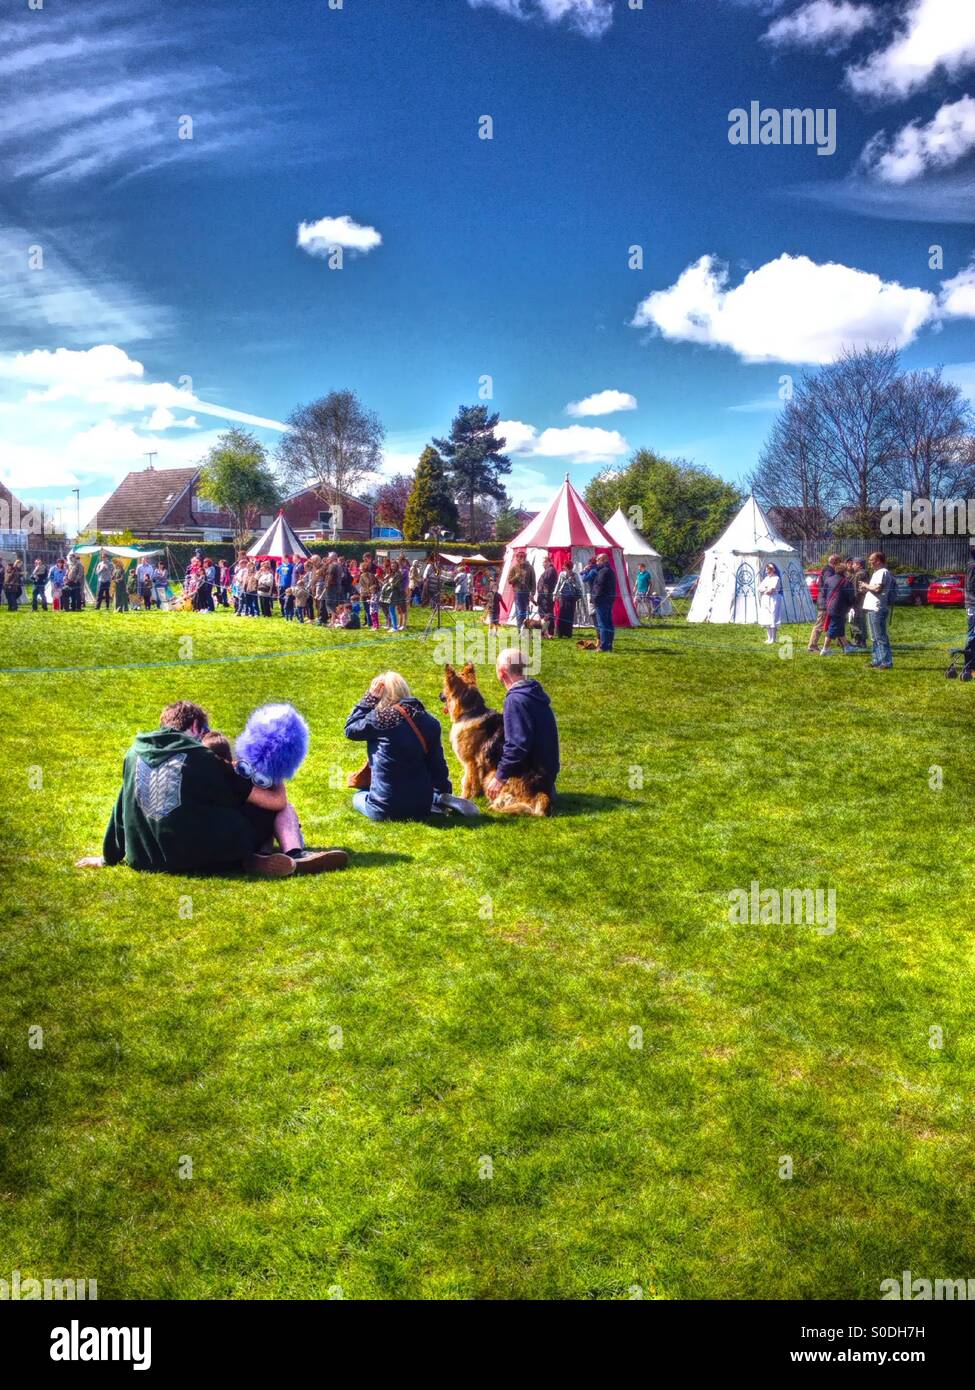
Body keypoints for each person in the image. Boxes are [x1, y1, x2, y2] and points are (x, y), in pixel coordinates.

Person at [94, 701, 347, 876]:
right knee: (279, 808)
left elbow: (121, 808)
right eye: (204, 731)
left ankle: (260, 855)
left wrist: (108, 857)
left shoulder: (134, 753)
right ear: (194, 726)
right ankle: (292, 853)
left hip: (147, 859)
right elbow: (272, 802)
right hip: (197, 857)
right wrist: (276, 775)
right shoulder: (202, 758)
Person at [345, 672, 477, 820]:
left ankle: (434, 798)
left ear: (382, 695)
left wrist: (369, 699)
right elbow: (437, 765)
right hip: (422, 807)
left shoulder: (380, 718)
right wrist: (443, 791)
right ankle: (438, 798)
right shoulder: (429, 721)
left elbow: (350, 729)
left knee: (358, 796)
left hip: (385, 807)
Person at [485, 648, 560, 807]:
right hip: (546, 779)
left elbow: (517, 745)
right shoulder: (534, 693)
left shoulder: (516, 700)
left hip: (531, 782)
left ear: (502, 671)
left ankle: (520, 799)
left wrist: (499, 778)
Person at [862, 550, 895, 669]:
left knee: (880, 637)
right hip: (871, 608)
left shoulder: (883, 572)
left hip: (877, 608)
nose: (869, 562)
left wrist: (866, 585)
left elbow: (877, 589)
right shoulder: (877, 572)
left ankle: (886, 662)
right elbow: (873, 589)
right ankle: (877, 660)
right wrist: (866, 588)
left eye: (871, 560)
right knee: (874, 637)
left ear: (878, 561)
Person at [581, 552, 617, 652]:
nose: (597, 562)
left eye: (598, 560)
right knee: (608, 623)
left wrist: (595, 598)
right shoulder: (609, 570)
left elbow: (599, 586)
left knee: (603, 624)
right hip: (608, 600)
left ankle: (604, 646)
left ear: (604, 560)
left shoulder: (603, 571)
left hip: (602, 600)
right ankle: (608, 645)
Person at [819, 562, 854, 655]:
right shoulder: (847, 582)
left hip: (829, 607)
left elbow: (824, 593)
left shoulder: (828, 580)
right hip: (840, 608)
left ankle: (847, 647)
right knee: (833, 628)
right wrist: (851, 606)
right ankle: (825, 649)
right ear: (845, 571)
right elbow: (850, 597)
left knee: (839, 627)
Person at [808, 553, 839, 653]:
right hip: (824, 602)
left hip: (826, 600)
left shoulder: (829, 570)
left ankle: (842, 642)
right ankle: (812, 645)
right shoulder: (828, 571)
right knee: (820, 624)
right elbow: (829, 584)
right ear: (835, 562)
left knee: (835, 622)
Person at [508, 551, 536, 631]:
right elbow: (509, 581)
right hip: (517, 592)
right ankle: (520, 629)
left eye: (520, 558)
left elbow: (533, 582)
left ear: (524, 558)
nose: (518, 559)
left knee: (525, 612)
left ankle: (525, 629)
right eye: (518, 558)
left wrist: (532, 594)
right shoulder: (514, 568)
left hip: (526, 593)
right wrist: (516, 577)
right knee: (519, 611)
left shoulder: (530, 568)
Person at [757, 562, 783, 644]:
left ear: (772, 570)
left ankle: (773, 638)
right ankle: (769, 638)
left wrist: (766, 589)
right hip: (765, 599)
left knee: (773, 617)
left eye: (768, 570)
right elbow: (759, 588)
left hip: (774, 599)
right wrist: (766, 589)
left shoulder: (776, 578)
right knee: (767, 617)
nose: (767, 572)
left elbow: (771, 590)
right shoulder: (766, 579)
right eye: (766, 570)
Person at [554, 563, 581, 638]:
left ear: (570, 568)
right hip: (563, 596)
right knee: (561, 614)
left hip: (572, 597)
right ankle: (560, 633)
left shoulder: (575, 575)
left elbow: (578, 585)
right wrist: (555, 593)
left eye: (565, 567)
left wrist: (573, 582)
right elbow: (558, 584)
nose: (564, 568)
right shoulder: (562, 574)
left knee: (570, 615)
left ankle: (568, 633)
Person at [847, 558, 868, 650]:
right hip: (861, 602)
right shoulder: (863, 573)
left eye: (854, 564)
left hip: (857, 602)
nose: (852, 566)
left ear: (859, 565)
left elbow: (855, 590)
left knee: (856, 621)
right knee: (860, 622)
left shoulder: (859, 574)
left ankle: (859, 641)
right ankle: (861, 641)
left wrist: (852, 603)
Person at [536, 557, 557, 638]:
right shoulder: (548, 570)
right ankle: (545, 632)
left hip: (546, 596)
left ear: (548, 562)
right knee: (543, 614)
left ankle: (549, 633)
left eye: (544, 562)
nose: (542, 564)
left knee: (547, 614)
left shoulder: (550, 570)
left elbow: (546, 583)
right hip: (543, 596)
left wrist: (544, 592)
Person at [964, 544, 975, 644]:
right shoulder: (972, 565)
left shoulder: (971, 563)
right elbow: (970, 585)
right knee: (972, 631)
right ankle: (970, 655)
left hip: (971, 601)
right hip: (972, 603)